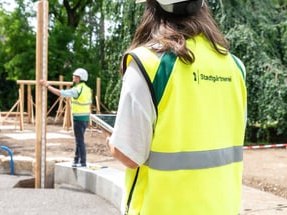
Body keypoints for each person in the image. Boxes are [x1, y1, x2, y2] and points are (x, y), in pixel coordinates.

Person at [106, 0, 247, 214]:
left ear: (152, 9)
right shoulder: (235, 67)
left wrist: (112, 142)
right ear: (202, 6)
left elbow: (129, 155)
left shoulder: (148, 63)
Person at [39, 68, 92, 168]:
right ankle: (76, 160)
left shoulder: (77, 90)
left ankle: (83, 162)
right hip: (85, 118)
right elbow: (89, 103)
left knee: (79, 141)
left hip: (78, 119)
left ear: (80, 78)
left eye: (75, 76)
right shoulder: (87, 89)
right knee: (79, 139)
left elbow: (60, 93)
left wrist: (47, 86)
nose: (73, 77)